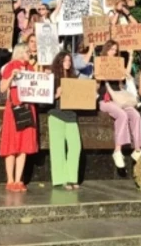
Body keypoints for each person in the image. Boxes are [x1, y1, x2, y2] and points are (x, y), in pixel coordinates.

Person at [96, 41, 141, 168]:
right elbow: (95, 87)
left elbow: (124, 76)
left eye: (115, 50)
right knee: (122, 115)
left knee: (136, 115)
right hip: (105, 99)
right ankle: (118, 150)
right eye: (111, 49)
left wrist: (131, 57)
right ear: (106, 50)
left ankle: (137, 149)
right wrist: (99, 78)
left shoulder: (117, 64)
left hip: (119, 99)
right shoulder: (100, 63)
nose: (113, 52)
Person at [0, 44, 38, 192]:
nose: (30, 53)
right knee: (12, 144)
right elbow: (2, 88)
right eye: (27, 51)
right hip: (14, 107)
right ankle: (9, 180)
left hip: (28, 107)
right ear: (20, 53)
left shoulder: (30, 68)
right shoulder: (10, 66)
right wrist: (11, 76)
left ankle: (18, 179)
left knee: (24, 145)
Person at [48, 52, 82, 190]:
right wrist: (56, 94)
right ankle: (62, 179)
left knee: (75, 146)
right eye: (65, 60)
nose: (67, 62)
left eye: (69, 60)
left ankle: (72, 177)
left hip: (71, 115)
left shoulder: (74, 78)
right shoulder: (52, 78)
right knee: (58, 148)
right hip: (56, 114)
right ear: (59, 62)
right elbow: (43, 100)